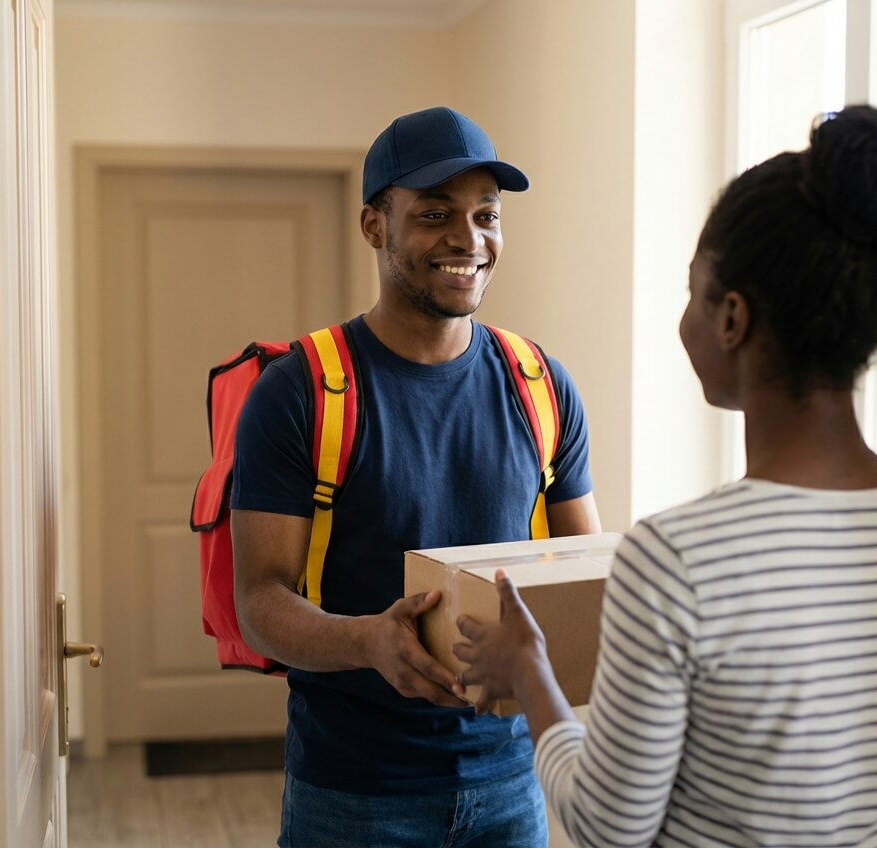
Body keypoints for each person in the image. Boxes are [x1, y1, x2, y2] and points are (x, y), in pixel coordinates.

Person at [455, 105, 877, 848]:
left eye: (692, 291)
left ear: (733, 318)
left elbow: (608, 827)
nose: (685, 318)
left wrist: (529, 671)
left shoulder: (677, 557)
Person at [230, 105, 602, 847]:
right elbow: (259, 600)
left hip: (509, 785)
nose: (469, 239)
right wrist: (369, 640)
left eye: (486, 215)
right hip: (353, 795)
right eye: (436, 213)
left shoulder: (540, 384)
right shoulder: (302, 390)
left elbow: (580, 572)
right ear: (375, 225)